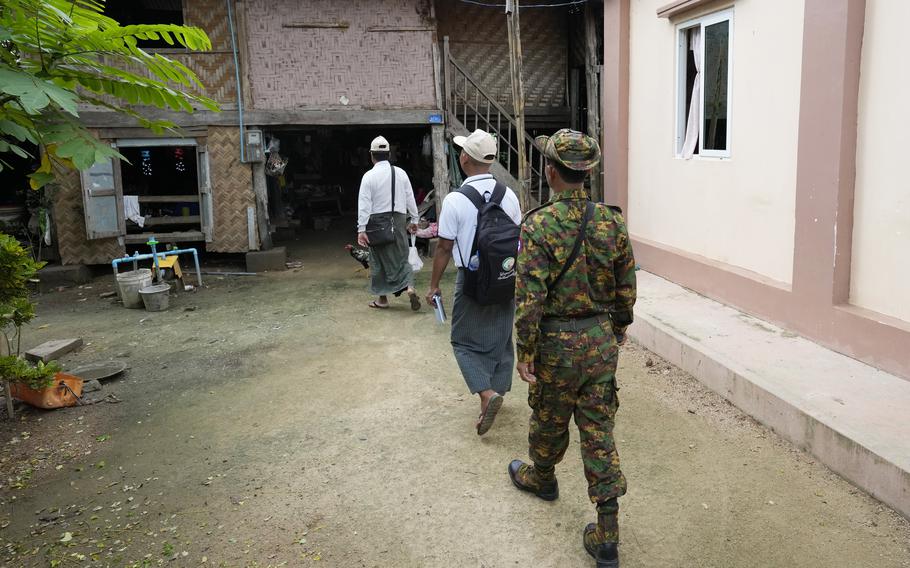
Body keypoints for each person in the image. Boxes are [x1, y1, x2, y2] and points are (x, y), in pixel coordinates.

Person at [507, 129, 636, 568]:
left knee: (548, 415)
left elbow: (530, 298)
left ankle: (542, 478)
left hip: (557, 346)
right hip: (599, 341)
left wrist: (525, 351)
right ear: (588, 173)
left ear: (551, 171)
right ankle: (608, 532)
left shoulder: (538, 225)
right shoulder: (611, 221)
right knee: (599, 431)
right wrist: (617, 328)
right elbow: (627, 286)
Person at [425, 129, 522, 435]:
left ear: (465, 158)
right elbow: (520, 241)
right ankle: (495, 393)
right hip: (506, 277)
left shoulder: (455, 200)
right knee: (502, 338)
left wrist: (434, 285)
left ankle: (486, 393)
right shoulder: (509, 195)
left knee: (462, 342)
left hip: (471, 280)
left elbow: (443, 247)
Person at [357, 135, 421, 311]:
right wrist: (414, 219)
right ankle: (409, 287)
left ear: (371, 155)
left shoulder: (368, 176)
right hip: (398, 219)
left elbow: (364, 205)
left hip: (376, 223)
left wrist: (361, 229)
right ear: (389, 154)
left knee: (378, 259)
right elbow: (410, 197)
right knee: (402, 256)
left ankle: (382, 300)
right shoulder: (400, 173)